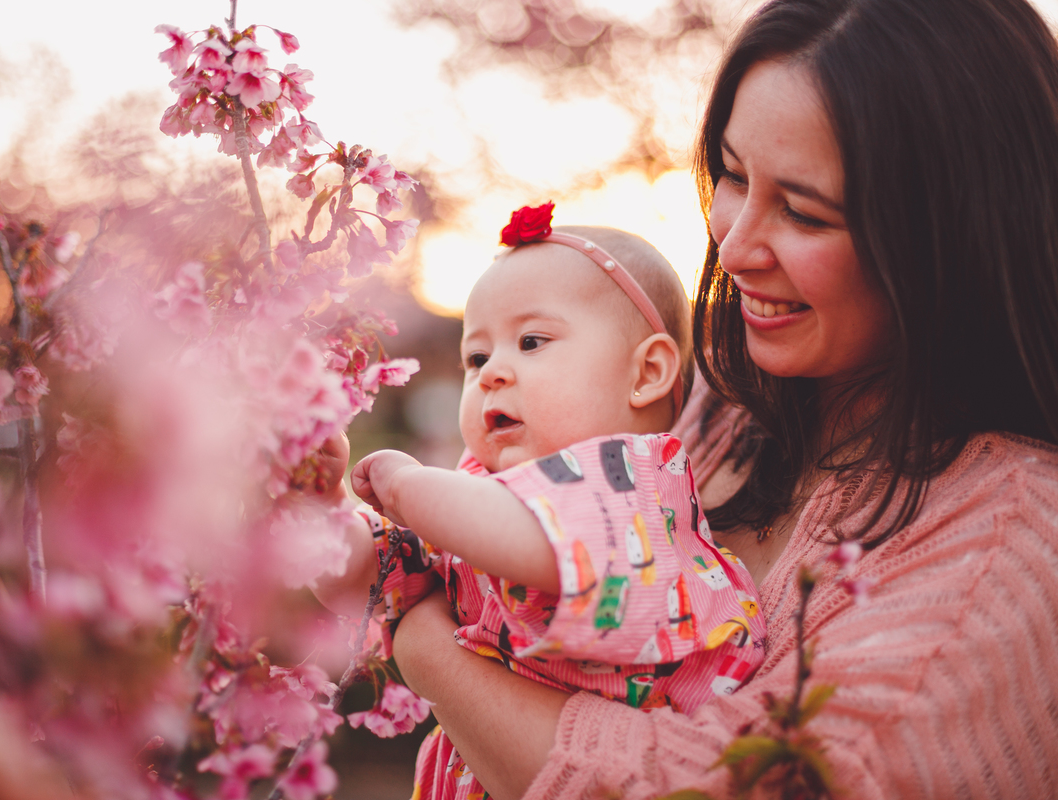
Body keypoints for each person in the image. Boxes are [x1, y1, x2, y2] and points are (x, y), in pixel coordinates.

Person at [386, 0, 1058, 798]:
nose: (732, 247)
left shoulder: (1004, 551)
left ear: (948, 238)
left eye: (802, 211)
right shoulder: (707, 403)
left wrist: (422, 646)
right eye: (734, 175)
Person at [314, 210, 765, 800]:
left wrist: (406, 486)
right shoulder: (478, 497)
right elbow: (379, 584)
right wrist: (323, 511)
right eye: (476, 359)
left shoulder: (632, 481)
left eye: (532, 342)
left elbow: (530, 540)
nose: (493, 373)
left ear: (647, 372)